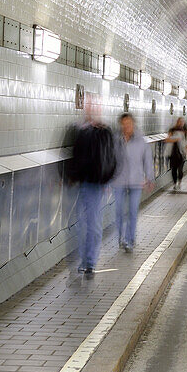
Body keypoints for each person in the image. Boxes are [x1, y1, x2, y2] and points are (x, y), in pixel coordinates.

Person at [67, 104, 117, 277]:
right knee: (81, 224)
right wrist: (69, 176)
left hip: (95, 183)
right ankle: (85, 260)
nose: (90, 112)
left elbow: (110, 157)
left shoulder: (104, 132)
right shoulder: (80, 131)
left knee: (92, 223)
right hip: (81, 182)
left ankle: (90, 262)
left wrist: (106, 179)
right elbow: (76, 155)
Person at [113, 113, 154, 253]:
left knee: (132, 211)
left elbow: (148, 160)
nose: (126, 127)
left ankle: (130, 240)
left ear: (133, 124)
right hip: (118, 180)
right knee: (119, 211)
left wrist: (150, 178)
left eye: (129, 124)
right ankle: (122, 237)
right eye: (124, 124)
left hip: (136, 181)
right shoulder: (116, 140)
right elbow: (109, 160)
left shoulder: (141, 141)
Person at [165, 117, 187, 190]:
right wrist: (176, 139)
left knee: (180, 169)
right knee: (174, 169)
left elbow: (186, 141)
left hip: (181, 152)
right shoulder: (172, 130)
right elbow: (167, 139)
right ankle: (175, 183)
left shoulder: (184, 130)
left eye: (182, 122)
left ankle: (180, 181)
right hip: (173, 152)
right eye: (179, 122)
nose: (181, 123)